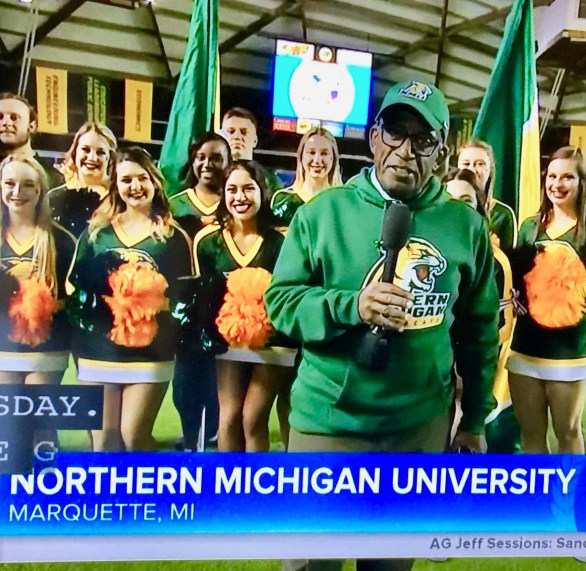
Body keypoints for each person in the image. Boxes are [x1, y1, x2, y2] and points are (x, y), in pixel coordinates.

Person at [266, 80, 498, 571]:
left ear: (441, 154)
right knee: (309, 565)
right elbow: (281, 303)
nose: (405, 150)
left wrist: (474, 420)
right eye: (395, 132)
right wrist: (352, 306)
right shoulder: (322, 213)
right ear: (374, 138)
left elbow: (479, 334)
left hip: (416, 433)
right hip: (327, 425)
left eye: (423, 139)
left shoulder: (467, 227)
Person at [66, 147, 192, 451]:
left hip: (151, 352)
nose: (135, 186)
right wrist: (101, 303)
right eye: (126, 180)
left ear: (154, 182)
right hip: (98, 348)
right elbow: (73, 287)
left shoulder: (173, 237)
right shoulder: (96, 233)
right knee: (104, 439)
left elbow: (185, 297)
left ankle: (148, 483)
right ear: (116, 186)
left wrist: (151, 302)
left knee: (133, 435)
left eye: (142, 178)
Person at [507, 146, 586, 454]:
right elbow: (518, 280)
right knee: (530, 436)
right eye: (552, 176)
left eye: (567, 177)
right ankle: (537, 488)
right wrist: (515, 295)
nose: (557, 184)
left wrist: (575, 292)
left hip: (570, 351)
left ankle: (571, 487)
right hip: (525, 347)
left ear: (583, 182)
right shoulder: (530, 226)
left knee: (568, 432)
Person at [194, 161, 295, 452]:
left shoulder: (282, 241)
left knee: (252, 417)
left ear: (262, 191)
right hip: (228, 342)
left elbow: (290, 296)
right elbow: (204, 300)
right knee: (228, 419)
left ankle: (255, 479)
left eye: (249, 188)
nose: (240, 197)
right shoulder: (207, 242)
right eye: (232, 190)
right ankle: (229, 478)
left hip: (275, 342)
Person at [443, 168, 520, 453]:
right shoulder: (424, 252)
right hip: (434, 378)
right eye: (450, 199)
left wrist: (469, 363)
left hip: (471, 375)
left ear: (480, 206)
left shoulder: (495, 259)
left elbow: (499, 324)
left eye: (466, 200)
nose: (457, 207)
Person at [169, 132, 231, 451]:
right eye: (201, 157)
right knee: (184, 384)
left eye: (216, 157)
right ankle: (192, 436)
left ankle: (213, 438)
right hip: (187, 309)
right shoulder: (175, 204)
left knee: (217, 383)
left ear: (229, 162)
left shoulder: (235, 200)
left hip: (225, 307)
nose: (207, 164)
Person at [0, 155, 75, 384]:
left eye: (28, 185)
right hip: (2, 347)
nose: (17, 192)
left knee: (36, 408)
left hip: (47, 351)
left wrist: (41, 300)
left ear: (39, 190)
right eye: (10, 183)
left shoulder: (61, 240)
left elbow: (72, 301)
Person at [48, 122, 117, 237]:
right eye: (86, 149)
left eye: (100, 152)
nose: (92, 158)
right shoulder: (55, 198)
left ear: (110, 158)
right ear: (75, 152)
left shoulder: (120, 200)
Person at [270, 127, 342, 225]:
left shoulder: (341, 202)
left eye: (324, 153)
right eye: (312, 152)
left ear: (333, 158)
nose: (317, 160)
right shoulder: (282, 199)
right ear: (301, 156)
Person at [457, 139, 516, 254]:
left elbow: (508, 261)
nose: (472, 169)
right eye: (466, 164)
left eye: (480, 164)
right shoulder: (445, 206)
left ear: (490, 170)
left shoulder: (502, 214)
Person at [0, 93, 63, 189]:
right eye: (0, 117)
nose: (5, 122)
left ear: (32, 126)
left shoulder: (52, 178)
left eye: (14, 117)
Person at [220, 107, 283, 191]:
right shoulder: (213, 176)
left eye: (244, 132)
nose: (237, 136)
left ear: (255, 140)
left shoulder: (270, 181)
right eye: (231, 132)